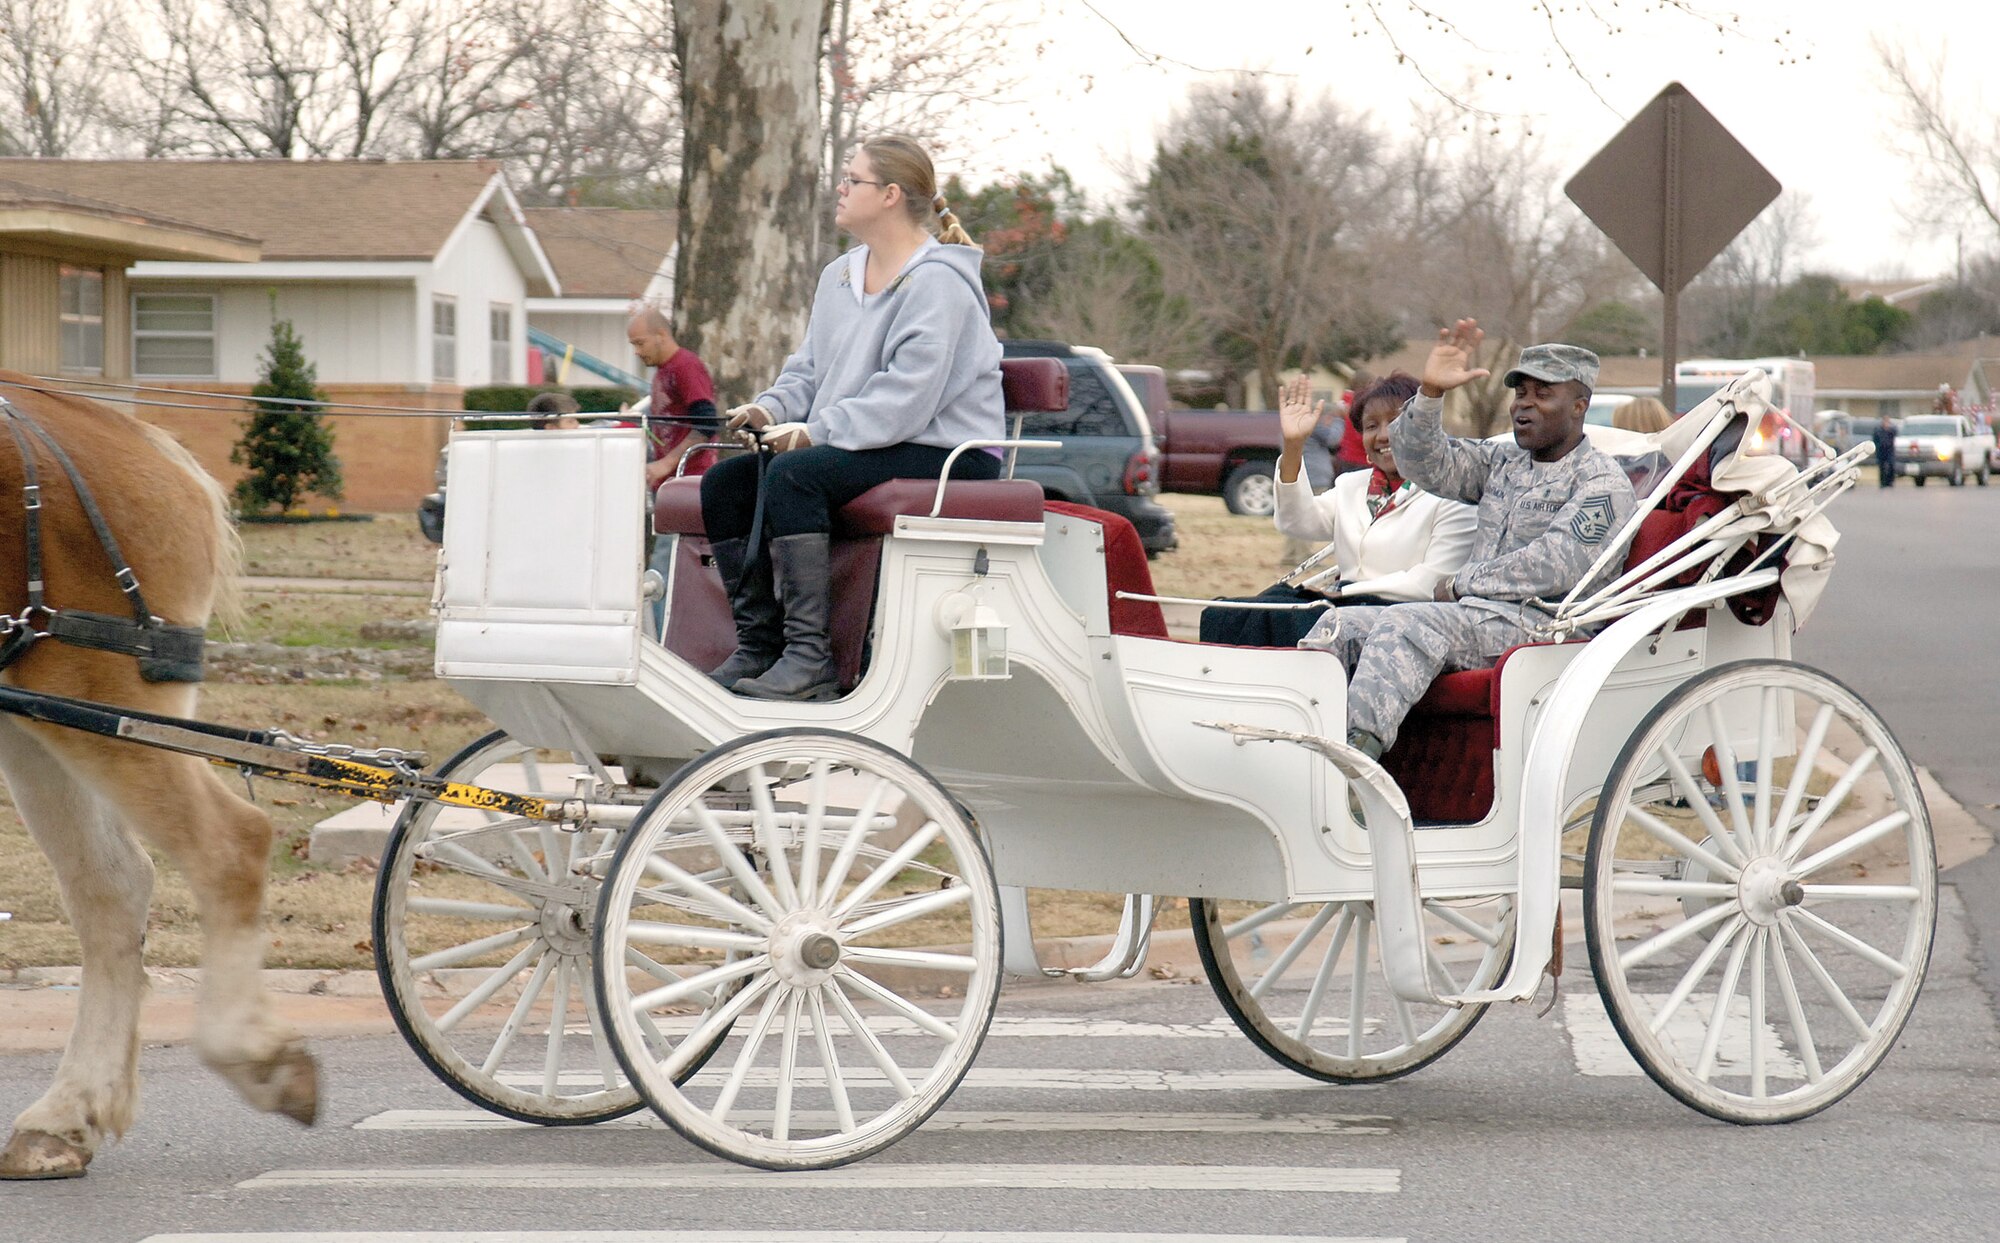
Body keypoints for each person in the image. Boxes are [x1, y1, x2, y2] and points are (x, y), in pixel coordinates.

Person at [699, 134, 1005, 701]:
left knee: (797, 474)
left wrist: (816, 432)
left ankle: (811, 660)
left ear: (890, 194)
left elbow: (909, 398)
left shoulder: (938, 281)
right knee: (724, 484)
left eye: (852, 180)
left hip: (949, 452)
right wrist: (771, 407)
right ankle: (760, 645)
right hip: (869, 441)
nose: (839, 190)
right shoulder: (838, 276)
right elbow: (809, 371)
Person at [1302, 320, 1636, 763]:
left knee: (1407, 625)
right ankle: (1298, 740)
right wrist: (1431, 395)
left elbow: (1553, 566)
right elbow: (1424, 463)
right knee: (1337, 625)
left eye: (1543, 394)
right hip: (1473, 617)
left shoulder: (1602, 483)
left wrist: (1461, 582)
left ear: (1579, 405)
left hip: (1541, 628)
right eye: (1521, 393)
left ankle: (1352, 764)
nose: (1525, 406)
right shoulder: (1504, 461)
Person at [1202, 371, 1476, 647]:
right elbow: (1296, 522)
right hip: (1340, 610)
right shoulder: (1351, 486)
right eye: (1371, 426)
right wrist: (1294, 446)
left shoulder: (1453, 494)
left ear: (1425, 427)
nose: (1383, 435)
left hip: (1401, 622)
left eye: (1395, 422)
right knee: (1230, 613)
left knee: (1294, 620)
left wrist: (1344, 593)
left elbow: (1430, 583)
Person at [627, 306, 720, 488]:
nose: (636, 351)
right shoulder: (662, 372)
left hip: (693, 480)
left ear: (661, 335)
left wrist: (666, 464)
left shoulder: (685, 366)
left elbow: (707, 423)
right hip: (672, 481)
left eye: (640, 343)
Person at [1277, 379, 1351, 566]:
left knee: (1294, 514)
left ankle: (1290, 554)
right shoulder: (1312, 424)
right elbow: (1334, 439)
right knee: (1308, 516)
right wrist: (1338, 420)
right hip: (1315, 473)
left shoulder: (1288, 424)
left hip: (1299, 472)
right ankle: (1302, 556)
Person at [1871, 412, 1899, 488]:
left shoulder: (1891, 430)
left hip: (1890, 450)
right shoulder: (1878, 430)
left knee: (1891, 466)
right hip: (1881, 450)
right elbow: (1875, 440)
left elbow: (1896, 436)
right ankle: (1882, 482)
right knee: (1882, 467)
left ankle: (1890, 482)